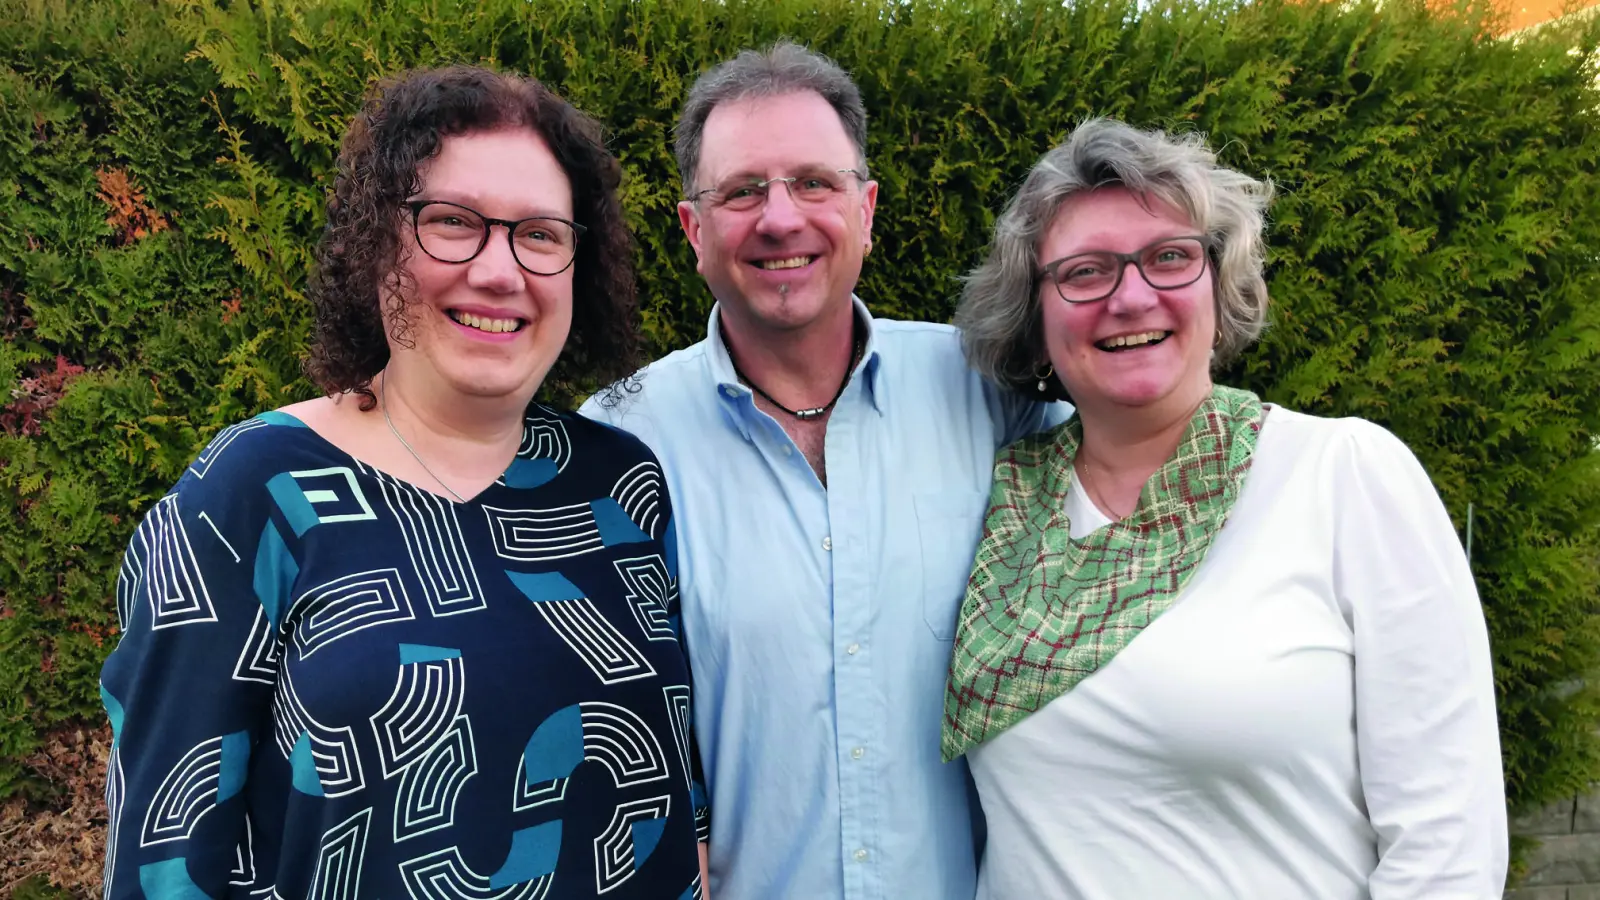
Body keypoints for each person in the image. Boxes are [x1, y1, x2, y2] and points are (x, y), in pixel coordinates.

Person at [99, 66, 706, 899]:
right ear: (379, 244)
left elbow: (677, 798)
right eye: (452, 222)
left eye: (540, 234)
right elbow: (163, 861)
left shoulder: (621, 485)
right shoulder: (251, 495)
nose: (500, 271)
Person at [942, 118, 1508, 898]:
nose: (1131, 296)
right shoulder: (999, 509)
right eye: (1084, 272)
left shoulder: (1340, 477)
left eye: (1170, 257)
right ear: (1035, 317)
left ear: (1220, 281)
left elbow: (1450, 845)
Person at [580, 42, 1064, 900]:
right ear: (694, 231)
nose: (779, 217)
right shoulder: (617, 441)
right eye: (741, 190)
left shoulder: (994, 400)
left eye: (814, 182)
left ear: (866, 210)